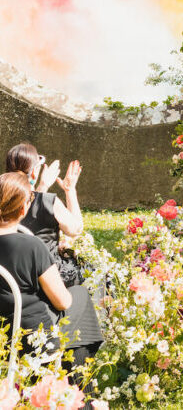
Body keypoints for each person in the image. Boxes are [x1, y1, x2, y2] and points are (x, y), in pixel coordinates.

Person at [0, 172, 102, 377]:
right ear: (23, 209)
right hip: (30, 337)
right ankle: (80, 393)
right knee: (80, 297)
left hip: (4, 331)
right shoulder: (31, 246)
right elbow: (62, 302)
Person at [6, 143, 84, 286]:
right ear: (35, 172)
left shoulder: (3, 198)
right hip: (47, 278)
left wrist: (43, 187)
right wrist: (70, 190)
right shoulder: (48, 202)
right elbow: (75, 230)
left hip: (8, 275)